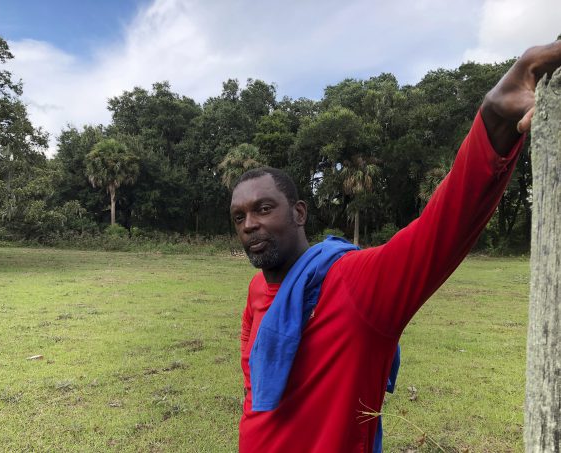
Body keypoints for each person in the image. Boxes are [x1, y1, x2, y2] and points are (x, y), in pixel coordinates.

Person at [230, 40, 561, 452]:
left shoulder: (353, 284)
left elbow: (440, 230)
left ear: (299, 213)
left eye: (263, 208)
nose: (250, 224)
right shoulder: (256, 291)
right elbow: (252, 381)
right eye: (240, 217)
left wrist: (493, 119)